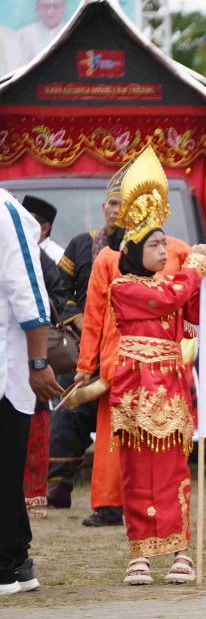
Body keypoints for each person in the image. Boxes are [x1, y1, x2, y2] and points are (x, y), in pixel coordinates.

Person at [102, 147, 206, 585]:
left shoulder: (174, 283)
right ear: (133, 250)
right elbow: (168, 299)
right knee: (135, 473)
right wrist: (197, 268)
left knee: (173, 471)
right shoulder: (124, 286)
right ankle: (140, 556)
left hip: (169, 387)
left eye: (165, 243)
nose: (164, 250)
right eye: (154, 245)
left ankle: (179, 551)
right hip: (134, 388)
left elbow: (194, 315)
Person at [47, 173, 129, 520]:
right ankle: (59, 485)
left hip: (126, 350)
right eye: (112, 204)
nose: (116, 210)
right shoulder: (82, 244)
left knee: (123, 424)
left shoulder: (140, 247)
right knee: (72, 413)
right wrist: (80, 319)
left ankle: (122, 498)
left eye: (123, 205)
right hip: (86, 345)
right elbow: (60, 288)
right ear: (103, 207)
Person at [0, 189, 63, 595]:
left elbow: (29, 291)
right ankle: (18, 560)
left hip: (7, 367)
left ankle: (6, 565)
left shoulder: (5, 210)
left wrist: (38, 362)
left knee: (4, 468)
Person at [21, 194, 69, 518]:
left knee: (36, 419)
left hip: (35, 348)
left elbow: (62, 299)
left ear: (43, 228)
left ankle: (34, 495)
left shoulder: (44, 259)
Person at [5, 0, 66, 72]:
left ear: (63, 8)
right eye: (46, 6)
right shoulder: (23, 34)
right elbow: (15, 70)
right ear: (37, 8)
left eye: (56, 6)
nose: (50, 11)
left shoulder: (73, 32)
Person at [21, 195, 63, 262]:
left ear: (44, 229)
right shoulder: (12, 248)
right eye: (19, 220)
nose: (20, 226)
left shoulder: (58, 258)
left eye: (26, 222)